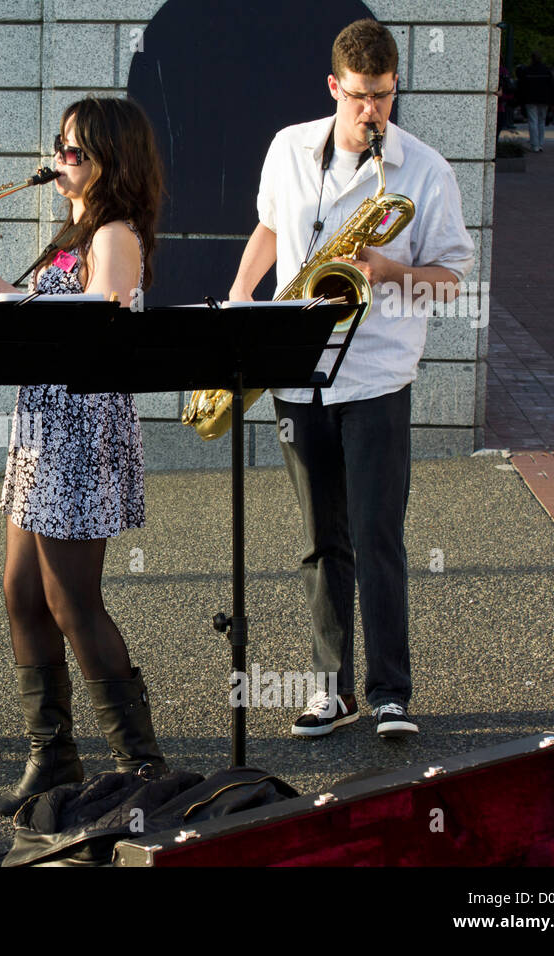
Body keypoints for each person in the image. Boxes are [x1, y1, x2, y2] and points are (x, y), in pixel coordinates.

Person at [228, 19, 473, 740]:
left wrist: (390, 271)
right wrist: (243, 295)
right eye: (362, 96)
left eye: (386, 97)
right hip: (295, 371)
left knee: (377, 536)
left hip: (375, 374)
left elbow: (451, 281)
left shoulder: (424, 170)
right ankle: (330, 692)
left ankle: (391, 692)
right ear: (335, 86)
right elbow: (271, 228)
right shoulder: (287, 148)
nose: (374, 113)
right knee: (317, 539)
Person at [0, 96, 168, 817]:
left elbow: (100, 318)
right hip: (42, 430)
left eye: (74, 151)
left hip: (80, 432)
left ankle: (143, 767)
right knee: (22, 592)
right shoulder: (74, 228)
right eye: (59, 144)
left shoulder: (114, 232)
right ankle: (52, 758)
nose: (58, 160)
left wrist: (7, 300)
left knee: (72, 601)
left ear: (113, 160)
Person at [518, 53, 554, 152]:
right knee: (541, 121)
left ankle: (534, 144)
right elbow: (552, 87)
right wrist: (552, 101)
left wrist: (521, 100)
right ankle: (540, 143)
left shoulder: (527, 71)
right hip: (544, 99)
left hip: (530, 99)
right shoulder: (547, 71)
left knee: (532, 121)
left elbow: (522, 87)